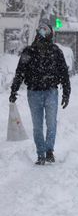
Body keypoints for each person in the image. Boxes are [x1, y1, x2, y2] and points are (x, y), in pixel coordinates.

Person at [9, 23, 71, 165]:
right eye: (41, 31)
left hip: (51, 91)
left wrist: (66, 93)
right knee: (37, 126)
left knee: (51, 123)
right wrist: (14, 90)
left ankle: (49, 151)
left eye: (46, 31)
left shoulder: (56, 51)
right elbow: (20, 72)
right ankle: (40, 154)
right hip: (34, 92)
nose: (43, 34)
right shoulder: (29, 52)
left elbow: (64, 74)